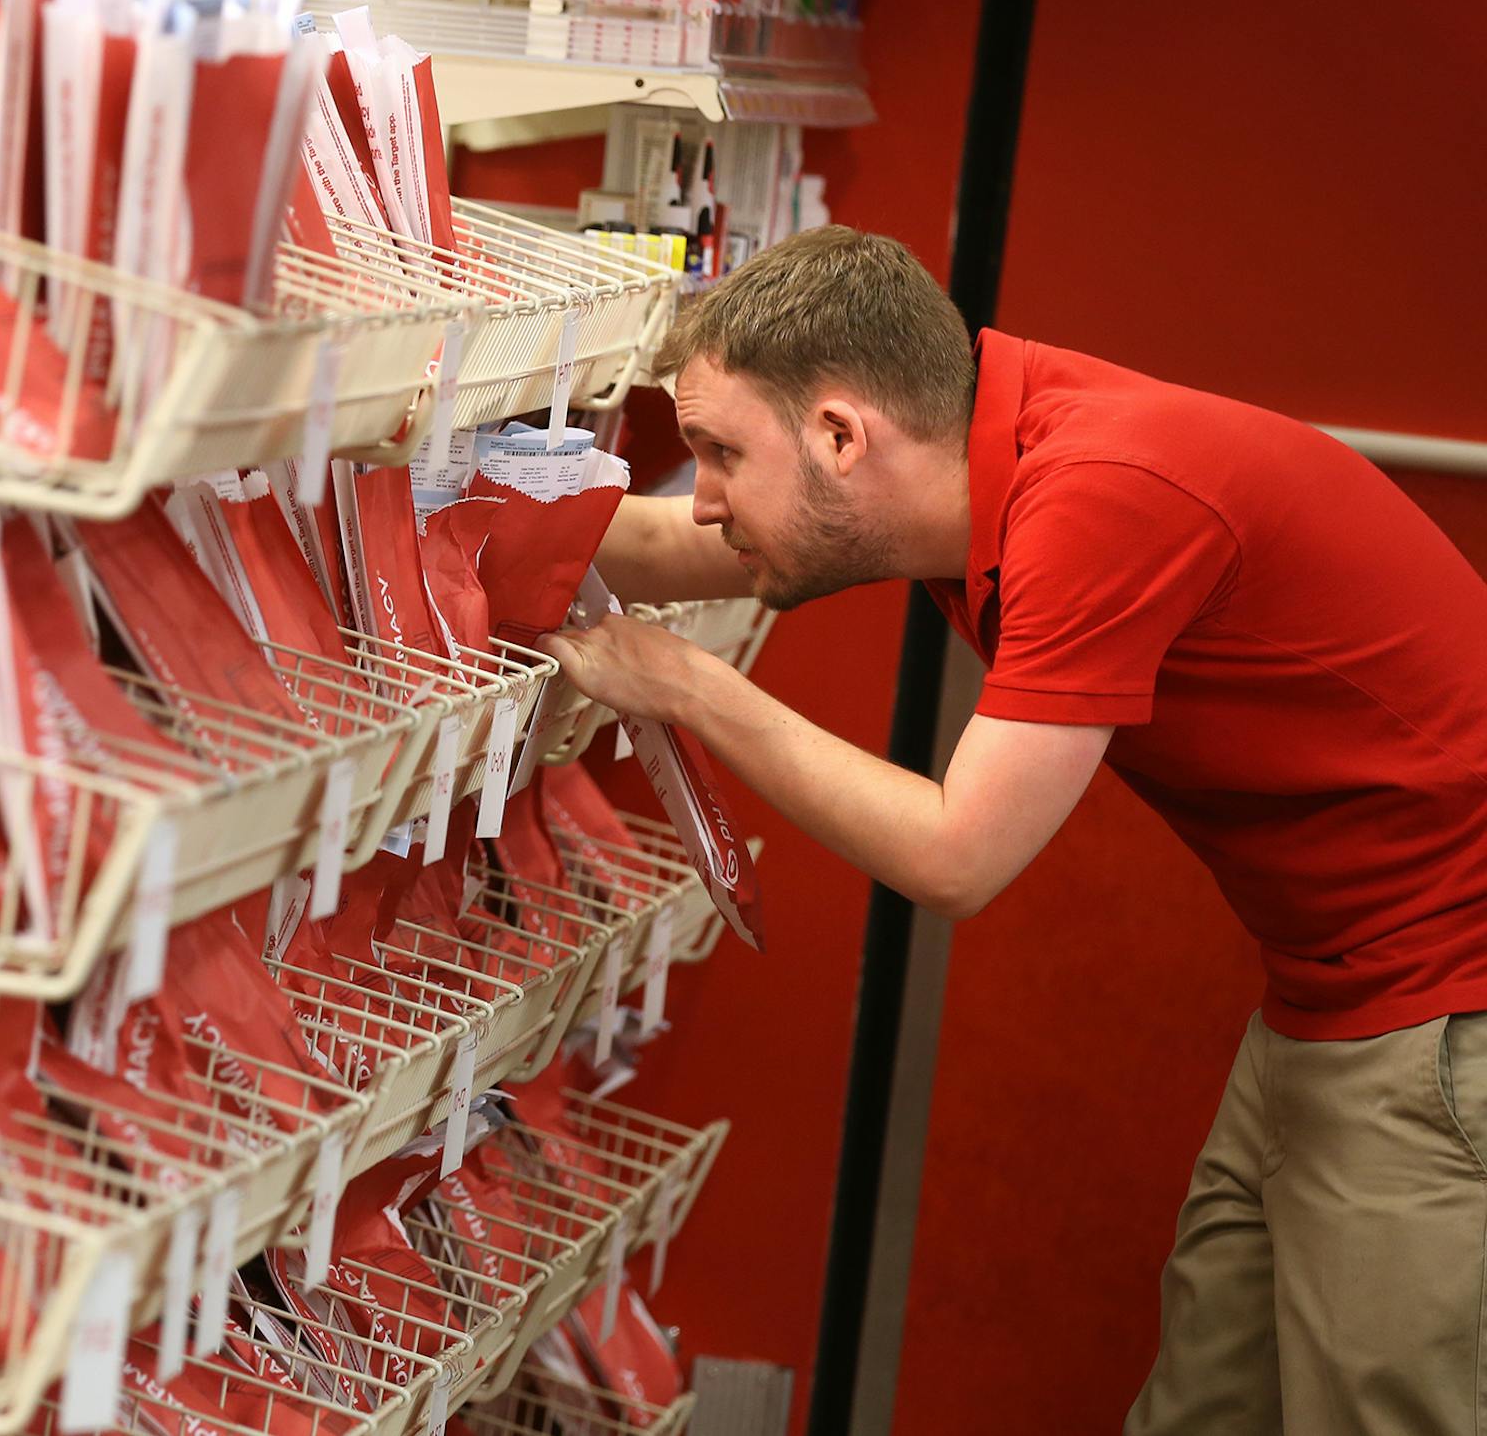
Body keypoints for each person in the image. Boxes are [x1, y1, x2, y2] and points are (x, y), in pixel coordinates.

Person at [539, 224, 1487, 1434]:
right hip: (1336, 990)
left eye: (720, 452)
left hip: (1441, 1005)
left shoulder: (1099, 498)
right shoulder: (967, 450)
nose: (704, 492)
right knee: (1205, 1406)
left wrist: (684, 684)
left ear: (841, 434)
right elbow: (690, 540)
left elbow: (955, 853)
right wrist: (468, 495)